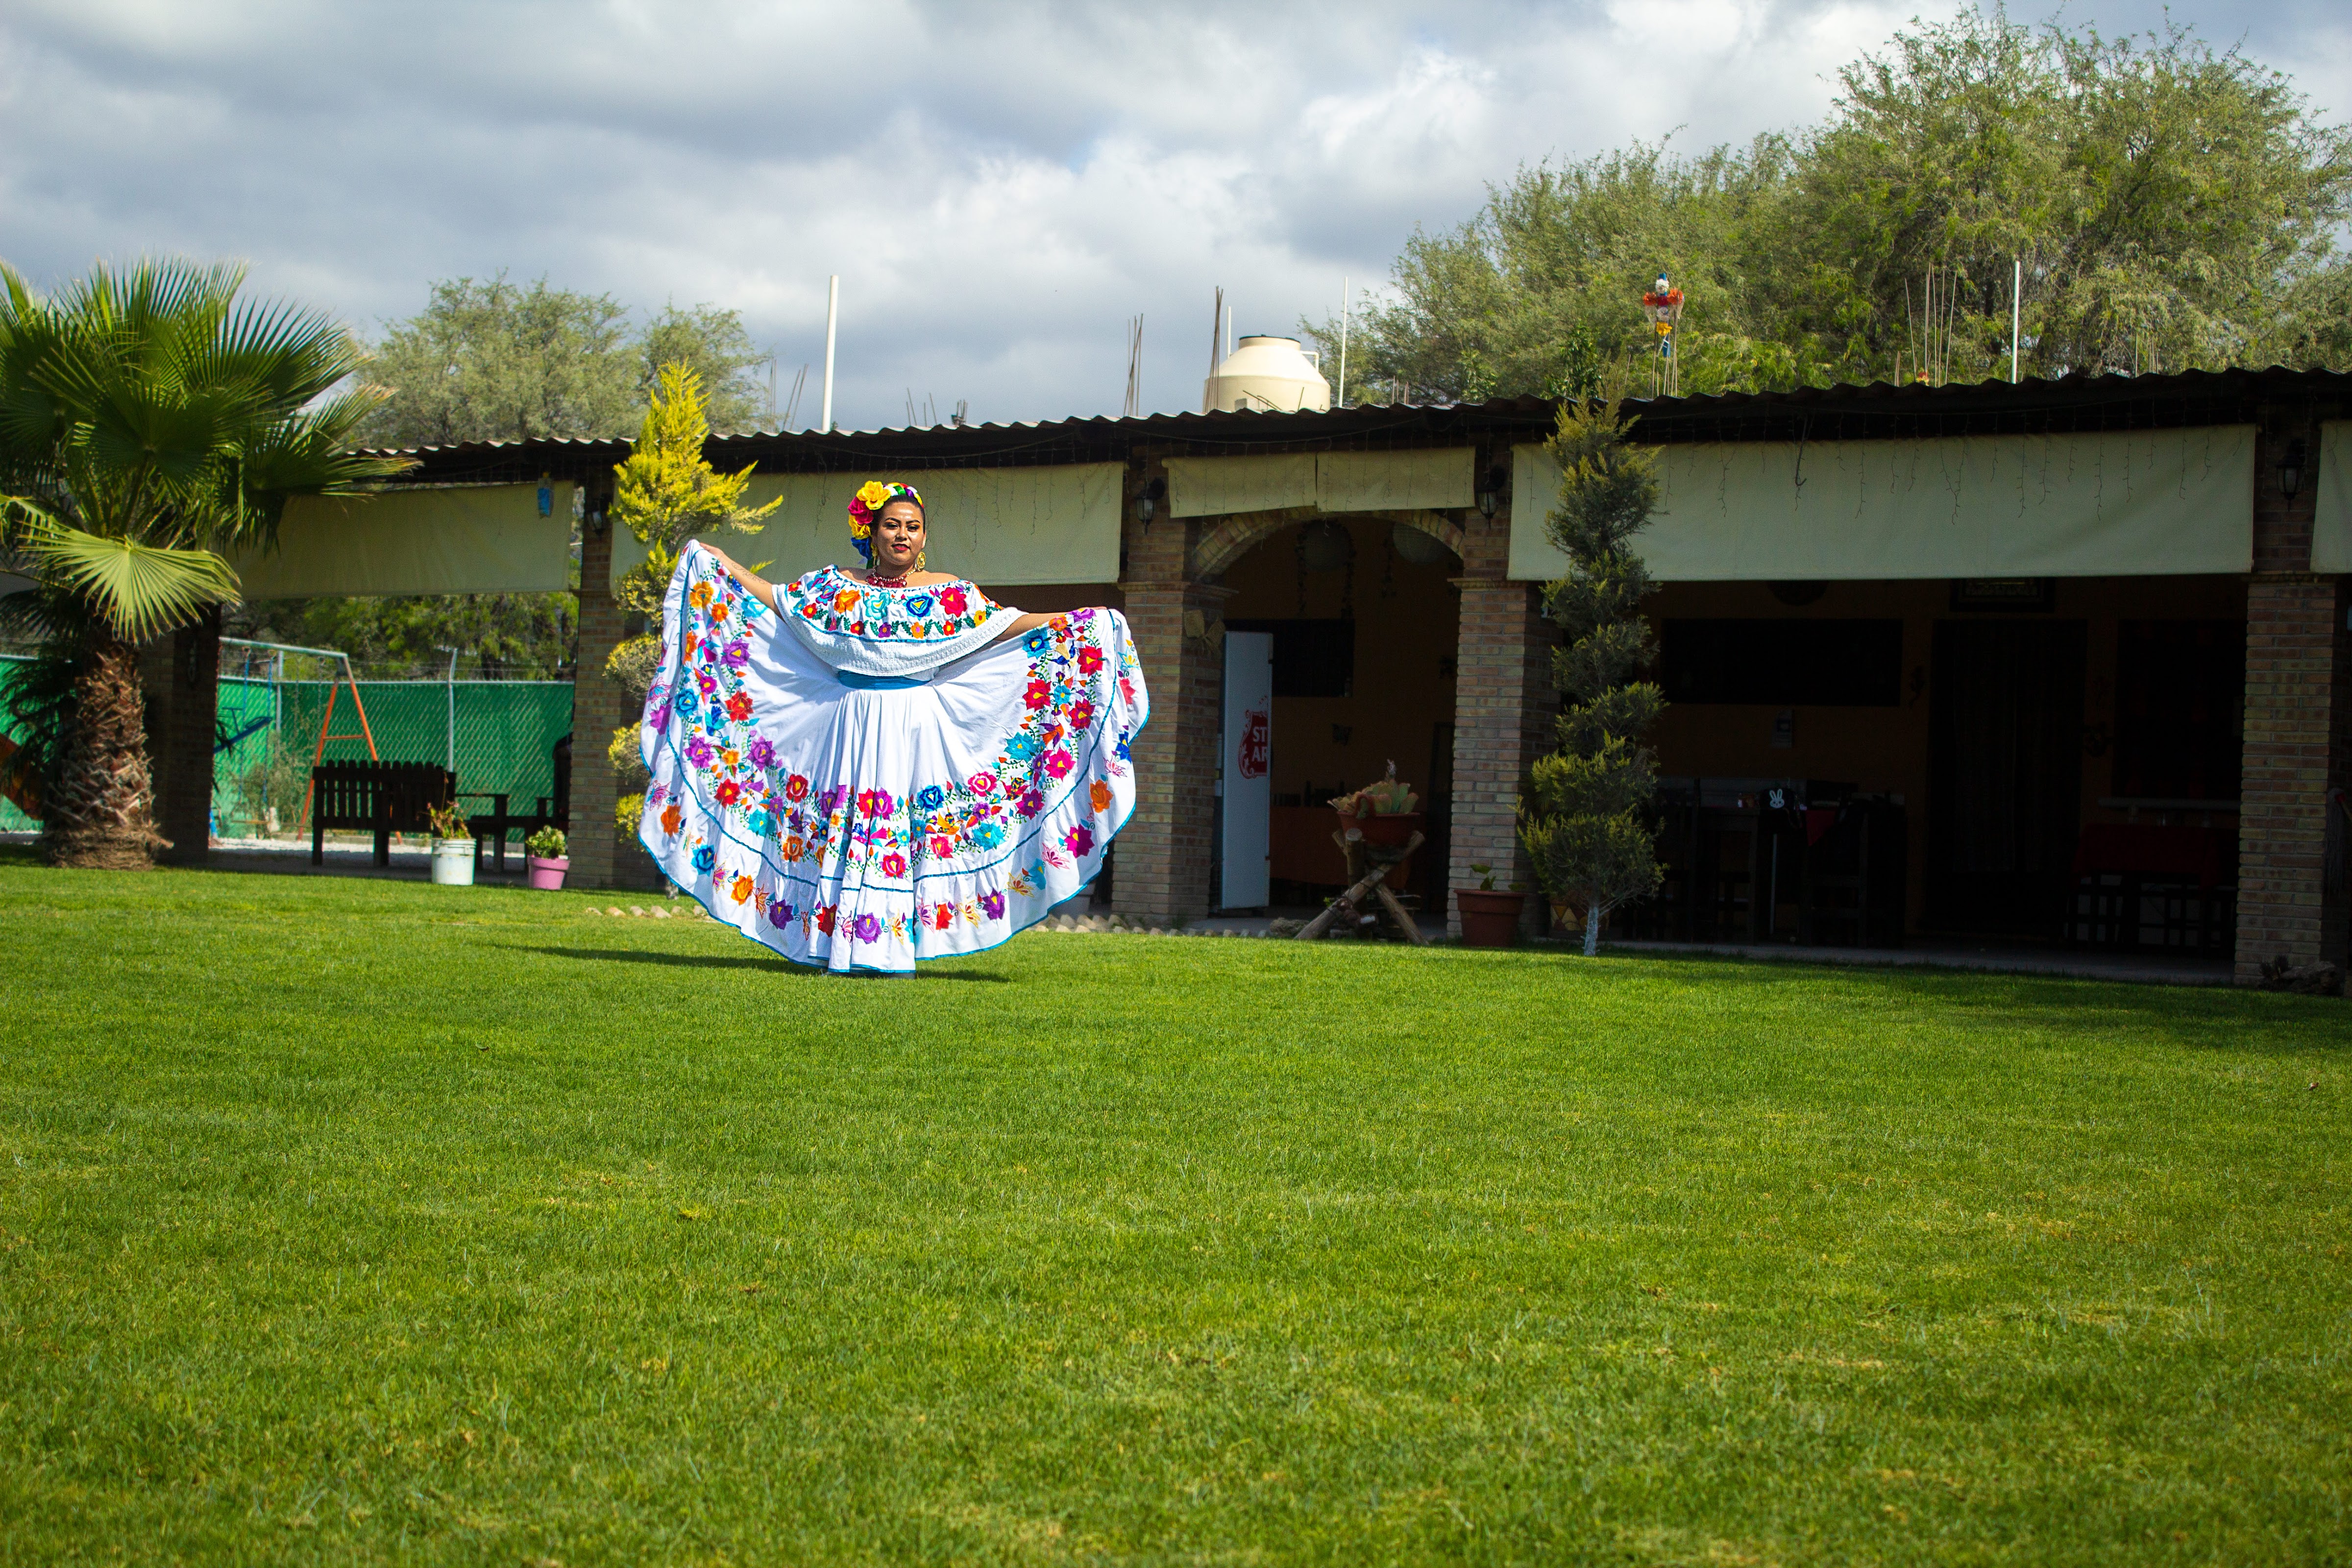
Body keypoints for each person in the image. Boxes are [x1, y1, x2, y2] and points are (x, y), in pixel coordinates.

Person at [637, 480, 1148, 972]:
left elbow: (1006, 623)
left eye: (913, 526)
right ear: (872, 531)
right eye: (892, 525)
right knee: (845, 827)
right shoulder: (835, 587)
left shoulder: (950, 595)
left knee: (906, 832)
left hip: (915, 730)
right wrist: (723, 566)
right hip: (849, 724)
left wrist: (1078, 620)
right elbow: (775, 599)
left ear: (924, 538)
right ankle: (833, 939)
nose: (903, 534)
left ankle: (892, 943)